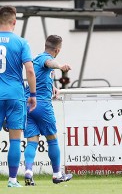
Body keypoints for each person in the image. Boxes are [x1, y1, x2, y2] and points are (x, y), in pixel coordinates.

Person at [22, 35, 73, 186]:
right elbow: (49, 63)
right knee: (52, 139)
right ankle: (57, 174)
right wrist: (60, 66)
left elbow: (41, 76)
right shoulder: (45, 58)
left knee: (32, 142)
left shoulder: (37, 58)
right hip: (42, 105)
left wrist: (53, 87)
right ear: (57, 50)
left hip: (28, 106)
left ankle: (28, 172)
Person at [0, 6, 37, 187]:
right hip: (15, 95)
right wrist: (33, 94)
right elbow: (30, 70)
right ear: (14, 22)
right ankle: (12, 180)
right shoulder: (22, 42)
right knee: (15, 138)